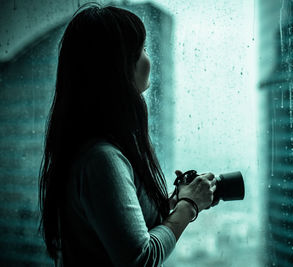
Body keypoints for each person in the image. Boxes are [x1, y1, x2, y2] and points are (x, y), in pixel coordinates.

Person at [38, 3, 217, 266]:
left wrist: (174, 202)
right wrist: (188, 205)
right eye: (143, 49)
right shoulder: (101, 159)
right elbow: (139, 258)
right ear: (119, 65)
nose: (148, 58)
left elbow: (123, 232)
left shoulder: (99, 151)